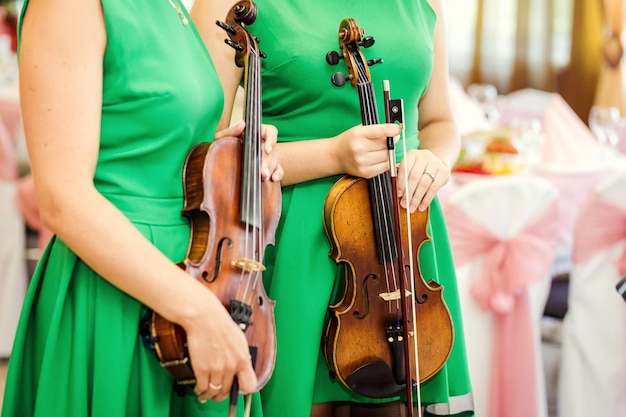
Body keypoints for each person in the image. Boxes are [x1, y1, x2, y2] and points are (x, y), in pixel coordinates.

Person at [192, 0, 474, 416]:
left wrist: (436, 161)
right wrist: (332, 155)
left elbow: (438, 123)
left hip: (402, 241)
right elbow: (201, 150)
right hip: (293, 242)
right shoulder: (230, 4)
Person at [1, 0, 282, 416]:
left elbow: (161, 135)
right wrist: (197, 311)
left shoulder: (169, 6)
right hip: (118, 283)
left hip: (195, 270)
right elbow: (63, 199)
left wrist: (237, 149)